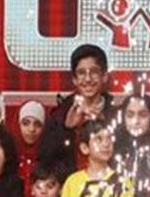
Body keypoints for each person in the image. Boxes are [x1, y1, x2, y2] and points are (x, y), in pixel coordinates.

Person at [39, 44, 116, 178]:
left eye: (94, 72)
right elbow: (45, 158)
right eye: (81, 73)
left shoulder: (116, 114)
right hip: (70, 186)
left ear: (104, 76)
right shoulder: (60, 114)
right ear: (74, 79)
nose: (88, 79)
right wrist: (66, 129)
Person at [16, 99, 46, 197]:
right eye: (26, 123)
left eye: (37, 124)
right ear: (18, 125)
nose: (31, 129)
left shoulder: (49, 159)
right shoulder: (9, 157)